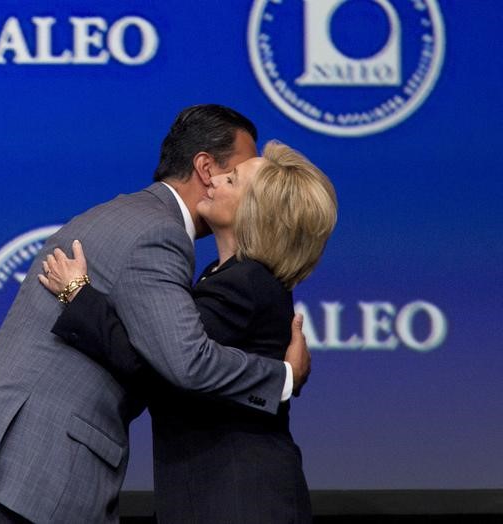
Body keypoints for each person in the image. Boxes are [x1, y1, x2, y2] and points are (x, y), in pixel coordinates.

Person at [0, 105, 311, 523]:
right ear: (204, 168)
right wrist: (281, 378)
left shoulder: (126, 215)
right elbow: (184, 360)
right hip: (34, 466)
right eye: (232, 172)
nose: (223, 183)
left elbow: (154, 360)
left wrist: (80, 295)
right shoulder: (160, 233)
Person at [41, 140, 337, 523]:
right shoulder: (228, 276)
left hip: (239, 497)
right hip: (222, 492)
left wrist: (78, 294)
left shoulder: (247, 283)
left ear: (256, 212)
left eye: (230, 179)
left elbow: (161, 367)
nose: (212, 179)